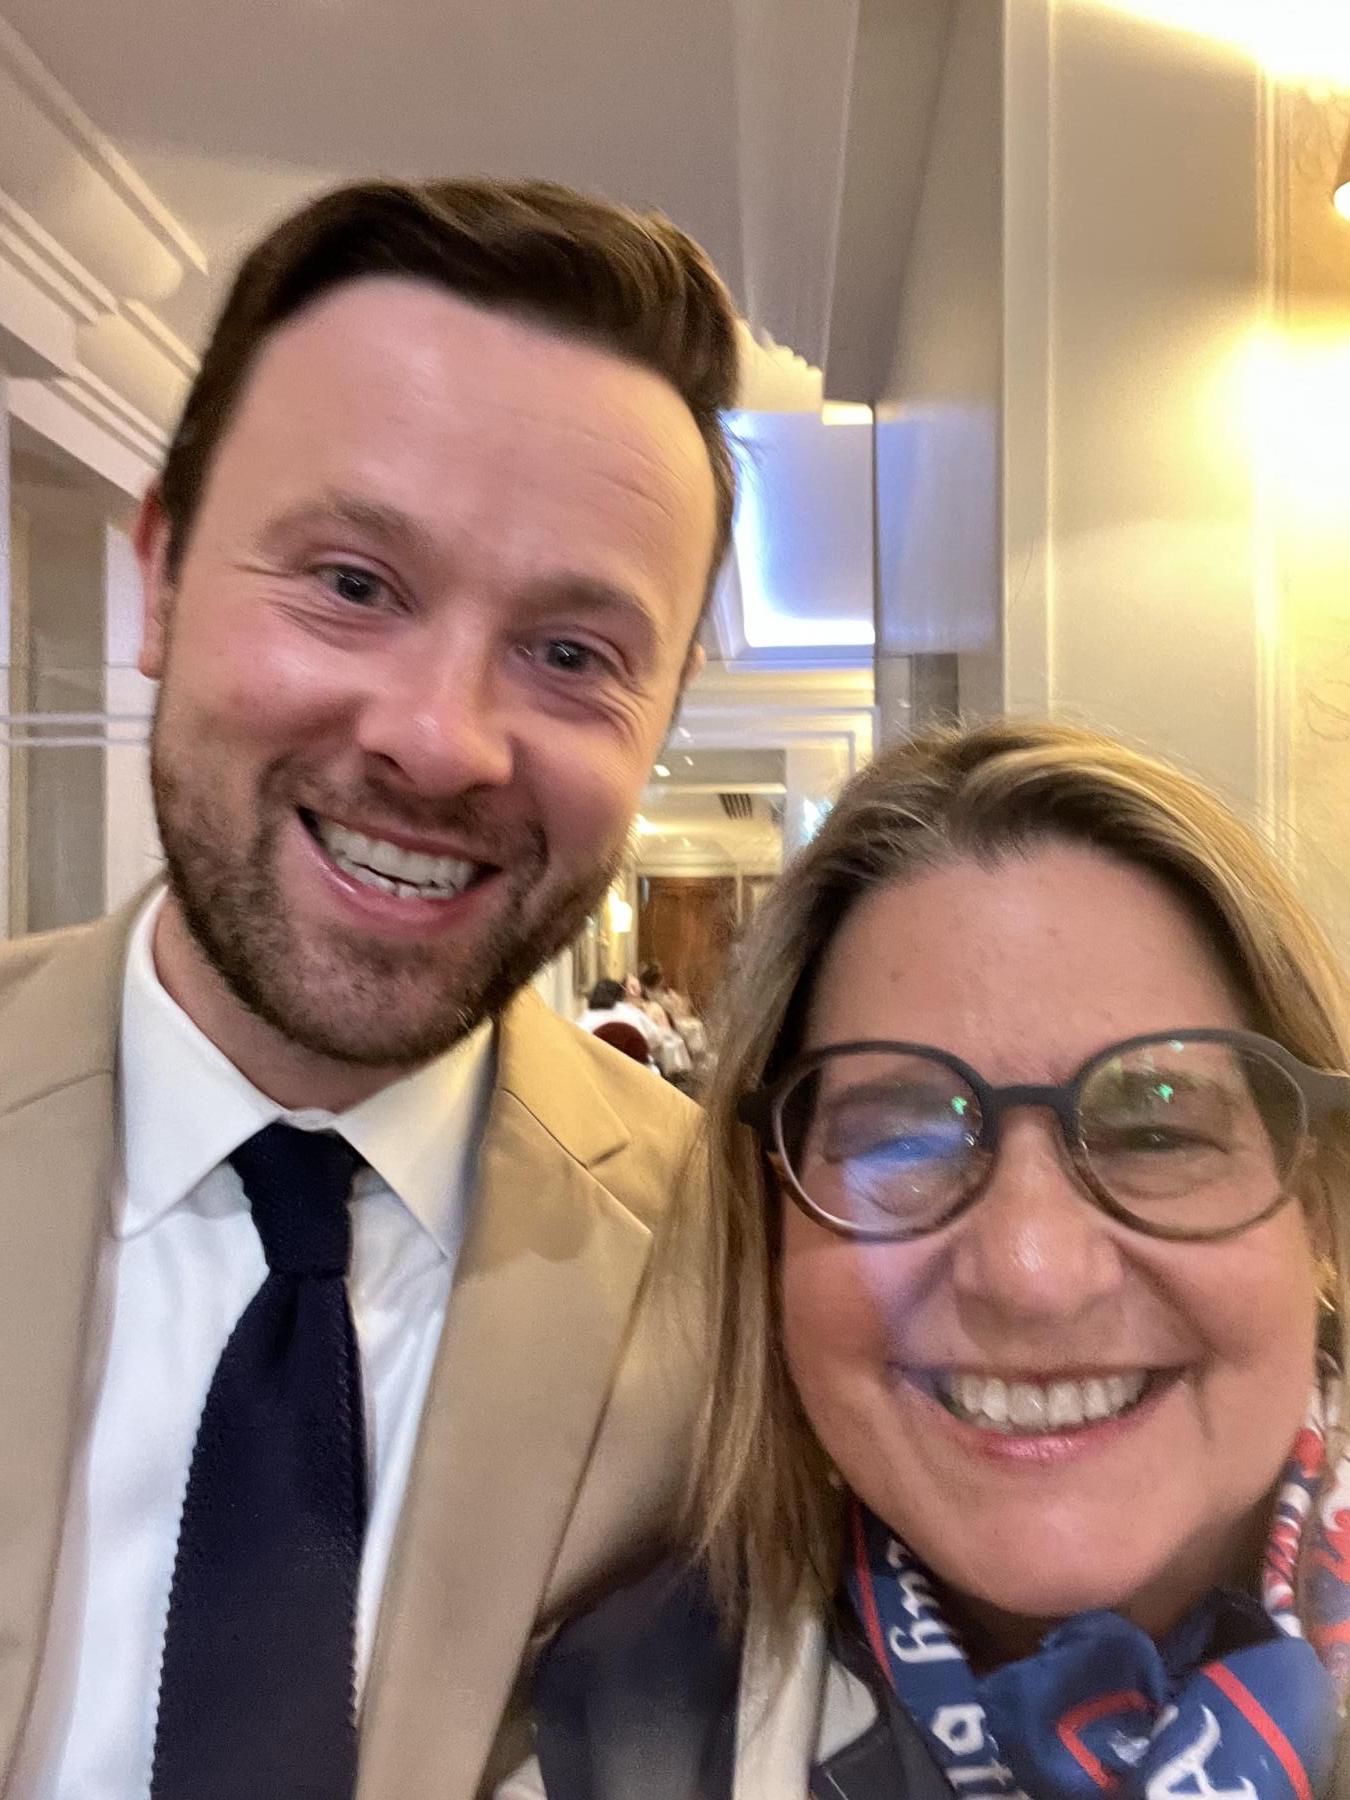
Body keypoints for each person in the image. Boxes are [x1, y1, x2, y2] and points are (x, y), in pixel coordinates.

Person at [0, 175, 739, 1800]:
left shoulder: (737, 1292)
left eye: (571, 655)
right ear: (166, 573)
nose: (441, 738)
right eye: (351, 582)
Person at [506, 720, 1350, 1798]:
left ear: (1317, 1204)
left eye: (1156, 1133)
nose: (1033, 1272)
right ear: (771, 1226)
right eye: (901, 1139)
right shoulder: (612, 1738)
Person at [575, 976, 665, 1059]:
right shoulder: (631, 1012)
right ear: (620, 995)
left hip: (597, 1069)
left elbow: (577, 1043)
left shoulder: (587, 1017)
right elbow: (657, 1037)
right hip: (635, 1069)